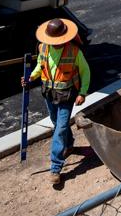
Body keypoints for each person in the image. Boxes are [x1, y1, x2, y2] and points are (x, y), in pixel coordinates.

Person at [22, 18, 91, 187]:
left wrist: (82, 92)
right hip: (49, 94)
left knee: (59, 129)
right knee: (57, 123)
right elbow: (40, 66)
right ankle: (69, 145)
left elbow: (85, 72)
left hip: (67, 96)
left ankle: (55, 167)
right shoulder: (43, 48)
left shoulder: (74, 52)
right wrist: (31, 77)